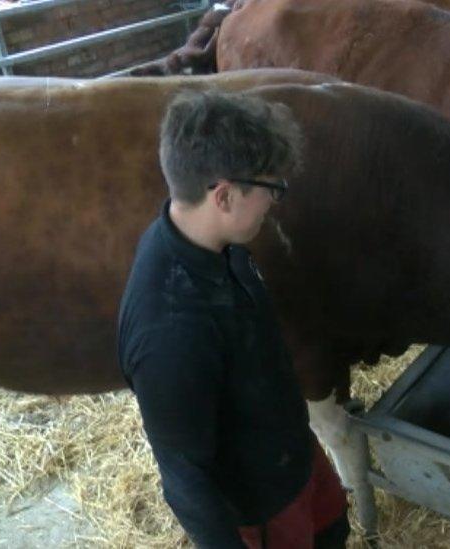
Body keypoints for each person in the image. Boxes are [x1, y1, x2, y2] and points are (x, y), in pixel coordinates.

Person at [117, 90, 349, 548]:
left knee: (334, 533)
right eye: (270, 189)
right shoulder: (169, 329)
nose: (273, 202)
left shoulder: (209, 242)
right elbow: (185, 481)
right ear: (223, 196)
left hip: (291, 453)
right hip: (261, 505)